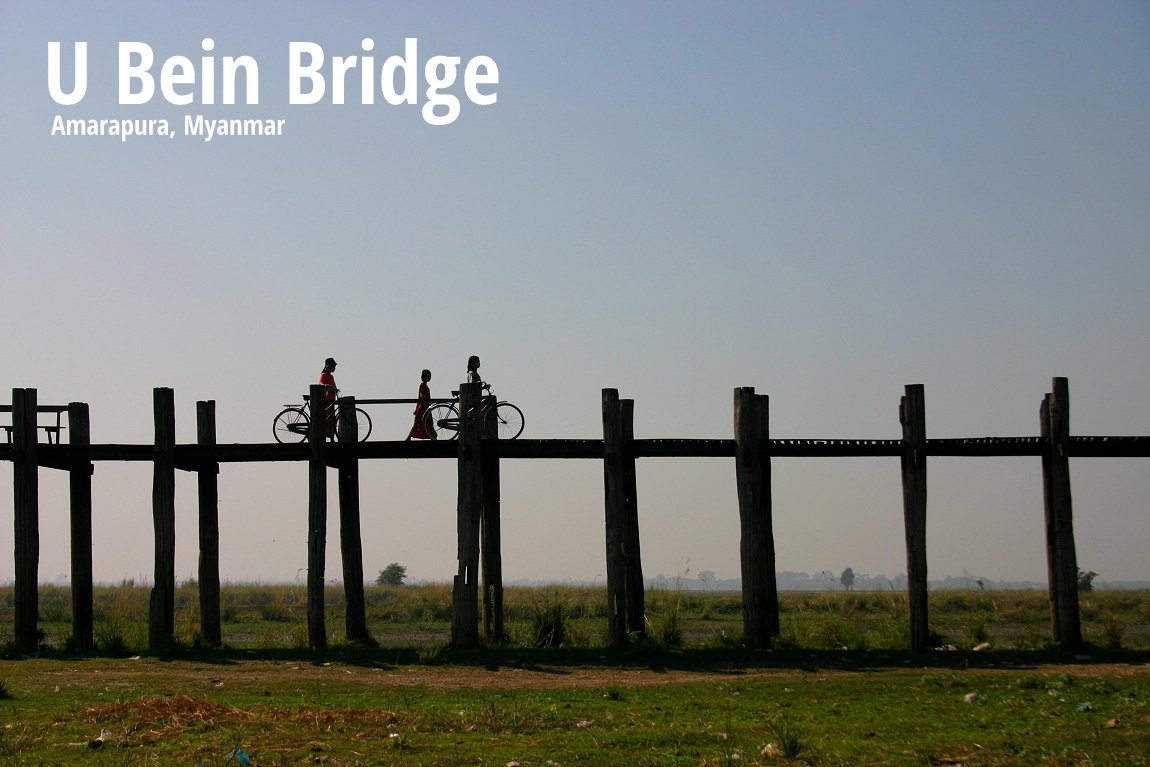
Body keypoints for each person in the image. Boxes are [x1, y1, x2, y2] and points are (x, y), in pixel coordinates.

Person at [406, 369, 436, 440]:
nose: (429, 378)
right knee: (420, 423)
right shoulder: (422, 386)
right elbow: (422, 396)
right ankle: (432, 437)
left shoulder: (424, 386)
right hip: (423, 407)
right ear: (424, 377)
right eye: (428, 376)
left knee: (426, 422)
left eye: (430, 376)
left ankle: (432, 436)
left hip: (426, 407)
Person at [319, 357, 338, 439]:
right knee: (328, 420)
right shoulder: (323, 375)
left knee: (332, 420)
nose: (334, 368)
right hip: (326, 402)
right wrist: (325, 385)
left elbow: (334, 385)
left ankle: (331, 438)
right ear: (328, 367)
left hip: (332, 401)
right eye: (333, 366)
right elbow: (320, 383)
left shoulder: (331, 376)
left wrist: (336, 389)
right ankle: (325, 435)